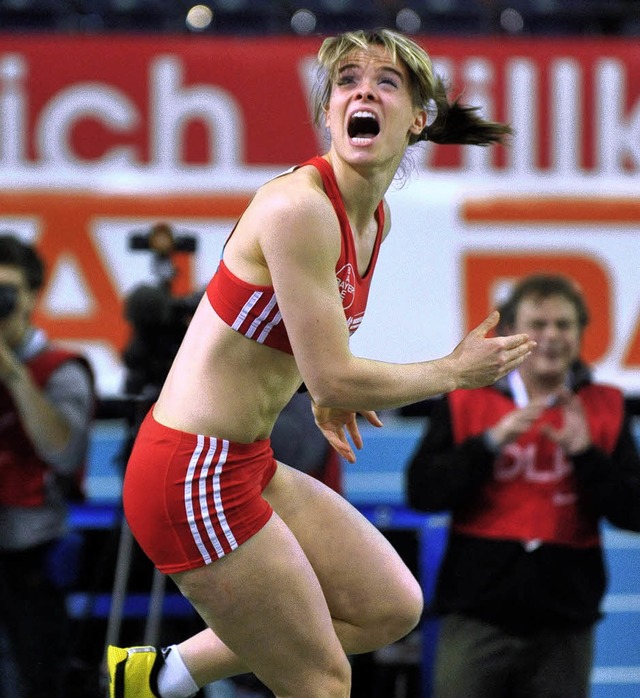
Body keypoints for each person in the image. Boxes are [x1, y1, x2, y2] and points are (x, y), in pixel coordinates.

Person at [107, 28, 536, 698]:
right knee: (322, 683)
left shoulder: (373, 220)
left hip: (242, 460)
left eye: (386, 82)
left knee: (389, 607)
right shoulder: (299, 207)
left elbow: (306, 350)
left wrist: (319, 385)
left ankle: (161, 676)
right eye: (347, 81)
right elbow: (334, 371)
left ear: (417, 119)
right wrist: (452, 371)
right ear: (330, 112)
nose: (362, 90)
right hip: (188, 472)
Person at [406, 273, 640, 698]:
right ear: (511, 333)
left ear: (581, 332)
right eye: (538, 324)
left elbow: (634, 511)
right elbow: (422, 493)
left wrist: (586, 454)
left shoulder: (605, 406)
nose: (551, 336)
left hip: (566, 622)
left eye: (564, 325)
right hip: (476, 617)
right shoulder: (465, 399)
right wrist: (490, 443)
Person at [0, 234, 95, 698]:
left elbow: (64, 450)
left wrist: (13, 373)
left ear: (32, 297)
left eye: (6, 292)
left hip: (28, 558)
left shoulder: (60, 370)